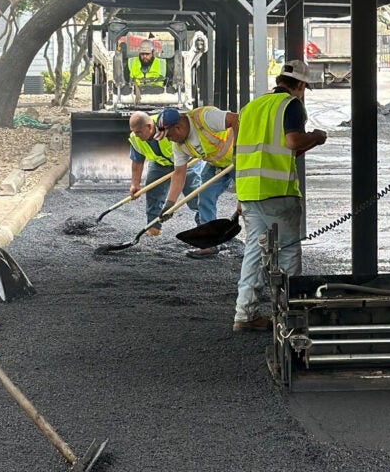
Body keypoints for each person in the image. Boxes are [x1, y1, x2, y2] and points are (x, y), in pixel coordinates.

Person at [232, 60, 327, 331]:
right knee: (288, 251)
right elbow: (292, 141)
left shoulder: (251, 107)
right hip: (278, 192)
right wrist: (316, 137)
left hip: (249, 191)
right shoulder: (291, 105)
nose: (303, 93)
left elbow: (251, 151)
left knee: (254, 252)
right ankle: (290, 316)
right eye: (304, 88)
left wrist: (239, 196)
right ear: (300, 85)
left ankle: (245, 314)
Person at [154, 105, 237, 259]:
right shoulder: (179, 146)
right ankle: (209, 244)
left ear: (178, 128)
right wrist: (170, 205)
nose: (168, 139)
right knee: (204, 197)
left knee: (248, 202)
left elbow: (236, 119)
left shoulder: (204, 118)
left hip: (240, 160)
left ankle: (257, 242)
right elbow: (179, 174)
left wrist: (239, 149)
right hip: (216, 164)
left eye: (168, 135)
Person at [127, 110, 202, 236]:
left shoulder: (168, 125)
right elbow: (137, 161)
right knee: (153, 191)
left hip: (186, 161)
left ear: (149, 127)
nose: (136, 135)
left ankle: (204, 224)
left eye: (138, 132)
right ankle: (153, 227)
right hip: (160, 163)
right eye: (134, 132)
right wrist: (135, 184)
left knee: (193, 192)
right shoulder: (136, 138)